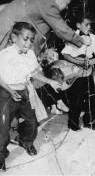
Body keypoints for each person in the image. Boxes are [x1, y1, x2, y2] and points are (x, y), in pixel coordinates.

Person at [0, 22, 62, 171]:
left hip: (25, 92)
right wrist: (9, 89)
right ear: (14, 38)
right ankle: (1, 156)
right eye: (25, 39)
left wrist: (51, 82)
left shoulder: (30, 54)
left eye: (31, 40)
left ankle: (26, 141)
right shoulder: (5, 54)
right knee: (2, 128)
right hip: (6, 93)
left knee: (32, 122)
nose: (28, 43)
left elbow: (34, 73)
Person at [61, 14, 95, 131]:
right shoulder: (74, 37)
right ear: (78, 25)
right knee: (76, 99)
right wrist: (77, 61)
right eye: (86, 24)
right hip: (76, 73)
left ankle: (90, 122)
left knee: (92, 98)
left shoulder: (93, 38)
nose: (89, 27)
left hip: (89, 72)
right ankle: (73, 124)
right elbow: (65, 54)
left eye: (90, 25)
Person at [0, 0, 91, 55]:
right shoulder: (48, 3)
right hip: (7, 30)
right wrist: (81, 40)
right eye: (67, 4)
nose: (67, 7)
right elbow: (61, 29)